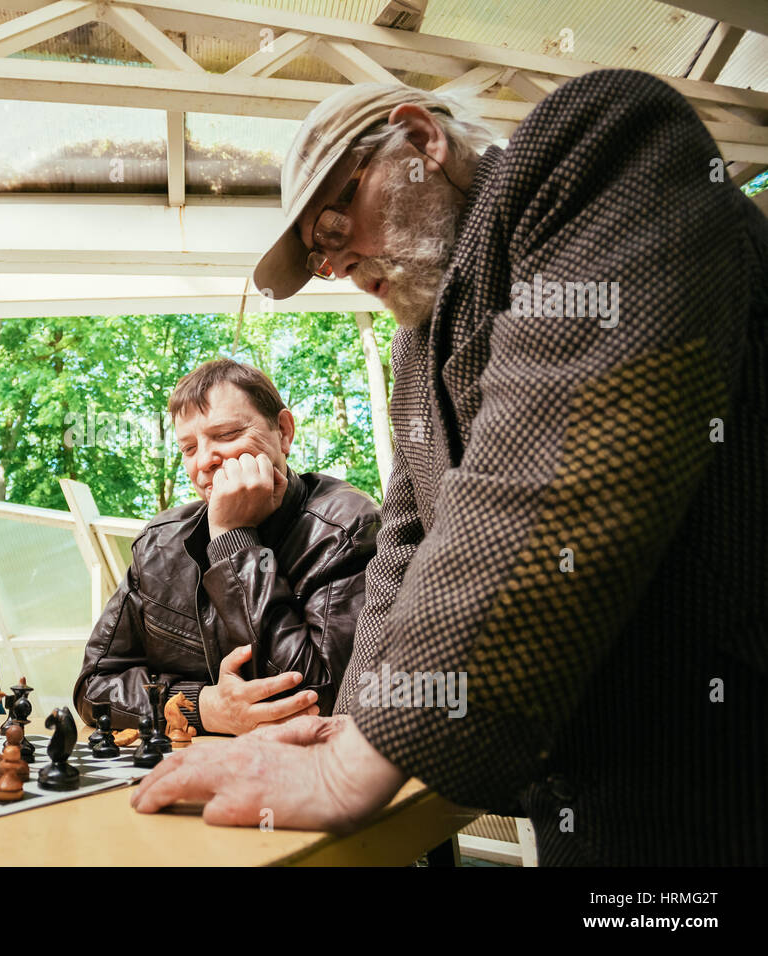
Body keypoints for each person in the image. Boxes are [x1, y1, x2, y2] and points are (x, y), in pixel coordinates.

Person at [132, 70, 767, 865]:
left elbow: (554, 470)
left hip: (728, 756)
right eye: (319, 258)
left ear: (420, 141)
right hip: (589, 791)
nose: (337, 265)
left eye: (333, 225)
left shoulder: (599, 141)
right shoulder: (414, 349)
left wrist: (346, 770)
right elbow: (406, 552)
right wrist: (358, 720)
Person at [74, 358, 379, 735]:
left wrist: (232, 537)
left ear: (283, 432)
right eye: (188, 448)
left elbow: (318, 704)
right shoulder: (158, 543)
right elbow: (93, 687)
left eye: (227, 434)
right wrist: (201, 708)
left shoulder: (348, 527)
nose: (204, 461)